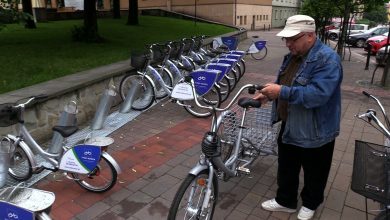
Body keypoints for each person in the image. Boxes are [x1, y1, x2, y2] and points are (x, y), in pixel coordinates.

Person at [254, 15, 343, 220]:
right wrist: (267, 95)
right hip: (290, 122)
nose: (288, 43)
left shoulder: (327, 59)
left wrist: (281, 92)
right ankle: (285, 201)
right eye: (286, 39)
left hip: (316, 128)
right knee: (287, 165)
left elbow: (318, 95)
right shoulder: (293, 55)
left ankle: (311, 203)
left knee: (315, 170)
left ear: (310, 36)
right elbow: (284, 82)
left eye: (292, 39)